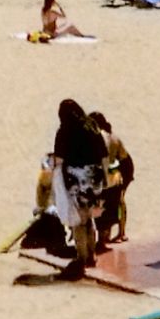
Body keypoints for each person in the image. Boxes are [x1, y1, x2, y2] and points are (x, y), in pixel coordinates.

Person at [51, 99, 108, 277]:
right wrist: (103, 179)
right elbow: (104, 155)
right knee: (89, 218)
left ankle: (82, 258)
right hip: (95, 178)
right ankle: (91, 255)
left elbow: (59, 161)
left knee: (78, 222)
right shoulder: (92, 126)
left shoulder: (64, 131)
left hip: (77, 180)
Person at [88, 111, 132, 249]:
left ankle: (102, 240)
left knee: (101, 207)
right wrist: (126, 179)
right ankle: (121, 233)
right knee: (118, 204)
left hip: (104, 179)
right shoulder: (114, 138)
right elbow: (125, 159)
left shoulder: (96, 138)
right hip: (116, 177)